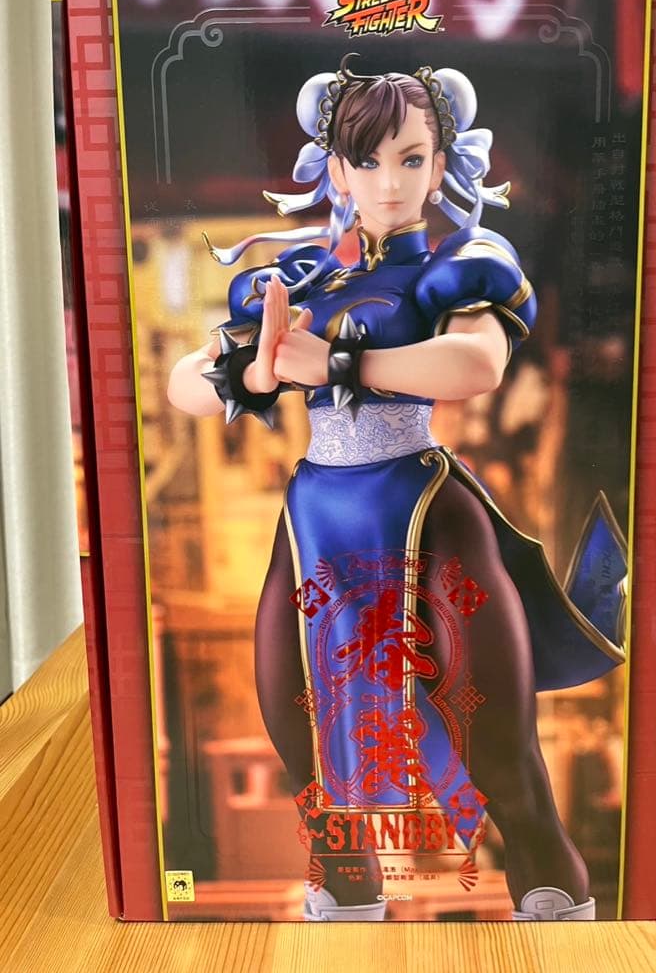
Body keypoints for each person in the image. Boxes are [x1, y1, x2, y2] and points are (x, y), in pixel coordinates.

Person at [168, 55, 627, 922]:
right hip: (317, 520)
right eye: (367, 160)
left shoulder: (461, 262)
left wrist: (336, 363)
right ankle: (347, 905)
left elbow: (476, 364)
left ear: (440, 163)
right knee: (302, 742)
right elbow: (186, 383)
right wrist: (253, 370)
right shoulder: (298, 278)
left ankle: (558, 914)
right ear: (335, 170)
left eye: (411, 158)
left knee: (499, 751)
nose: (388, 182)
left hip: (426, 510)